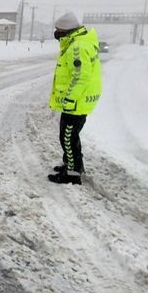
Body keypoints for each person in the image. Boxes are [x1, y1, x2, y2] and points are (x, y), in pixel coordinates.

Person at [47, 12, 102, 185]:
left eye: (58, 30)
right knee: (71, 136)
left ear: (66, 29)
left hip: (76, 102)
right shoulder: (77, 42)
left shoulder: (77, 47)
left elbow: (80, 78)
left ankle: (71, 174)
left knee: (68, 137)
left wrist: (70, 100)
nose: (56, 33)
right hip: (79, 101)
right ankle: (74, 165)